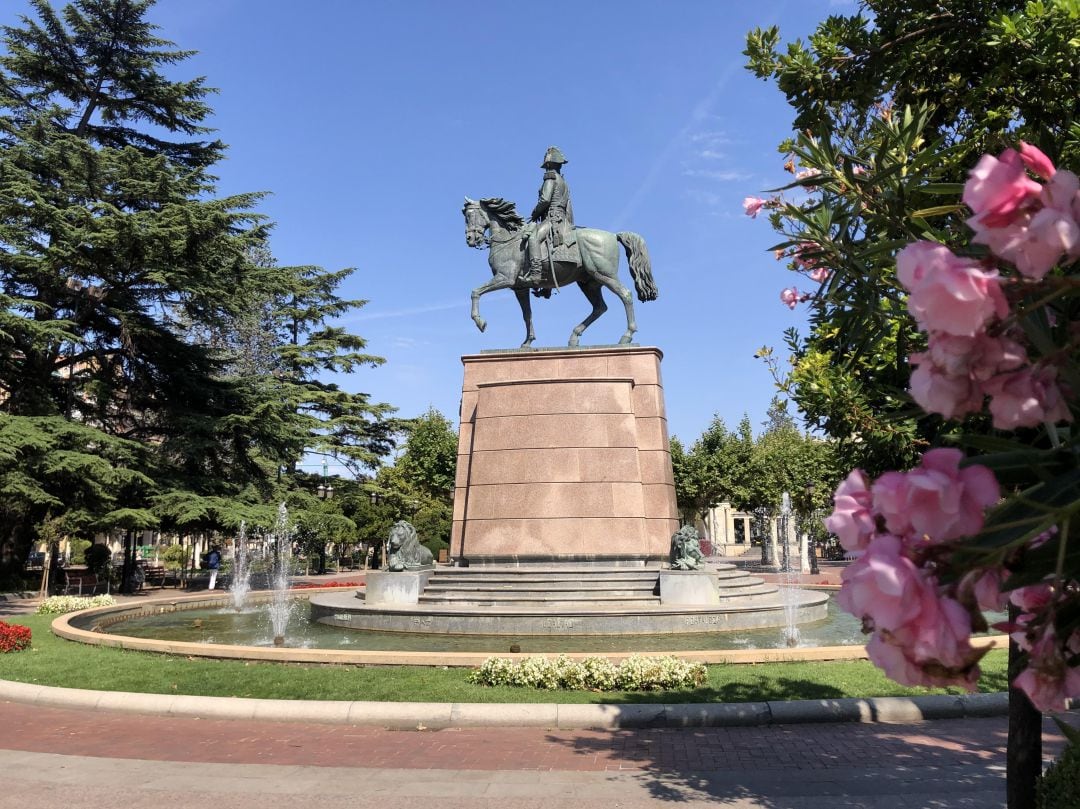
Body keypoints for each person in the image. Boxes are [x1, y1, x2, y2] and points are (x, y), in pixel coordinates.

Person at [521, 146, 575, 285]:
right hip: (563, 219)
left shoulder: (550, 178)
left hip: (552, 218)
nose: (546, 169)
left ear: (549, 164)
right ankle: (547, 286)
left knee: (533, 238)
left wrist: (534, 213)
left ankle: (536, 274)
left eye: (546, 166)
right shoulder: (564, 182)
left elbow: (545, 200)